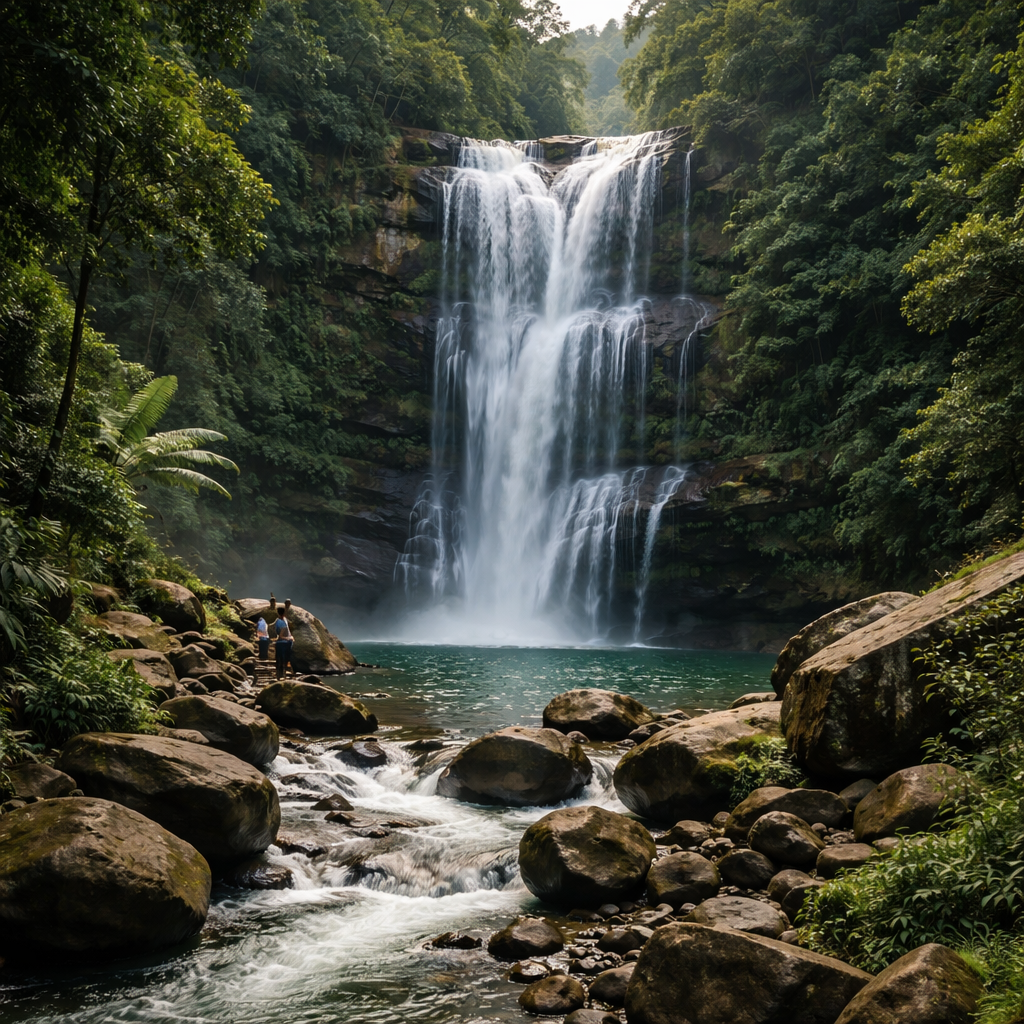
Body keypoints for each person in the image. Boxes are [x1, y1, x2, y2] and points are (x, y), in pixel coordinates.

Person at [273, 608, 294, 680]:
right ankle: (282, 676)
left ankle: (280, 676)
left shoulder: (280, 621)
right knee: (284, 660)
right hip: (284, 643)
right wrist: (289, 638)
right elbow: (281, 636)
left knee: (280, 660)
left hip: (282, 643)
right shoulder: (282, 621)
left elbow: (280, 635)